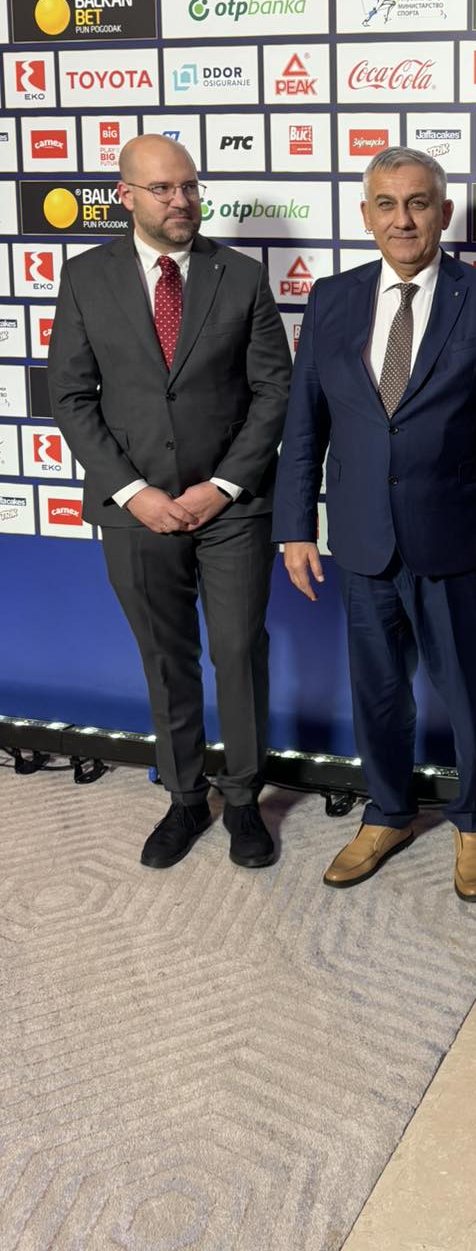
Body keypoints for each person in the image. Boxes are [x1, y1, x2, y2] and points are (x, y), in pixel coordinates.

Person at [273, 147, 476, 900]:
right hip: (362, 540)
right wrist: (296, 526)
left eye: (419, 203)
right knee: (378, 693)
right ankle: (387, 812)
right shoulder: (330, 299)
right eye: (386, 204)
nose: (403, 219)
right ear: (366, 216)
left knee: (470, 696)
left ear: (443, 213)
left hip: (458, 542)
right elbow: (305, 425)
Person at [48, 134, 292, 870]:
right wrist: (135, 493)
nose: (182, 201)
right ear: (125, 195)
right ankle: (186, 798)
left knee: (238, 653)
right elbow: (70, 394)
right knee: (164, 657)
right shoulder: (85, 277)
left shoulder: (241, 276)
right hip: (135, 510)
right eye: (163, 188)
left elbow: (273, 391)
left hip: (232, 508)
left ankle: (243, 800)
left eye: (189, 186)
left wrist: (222, 486)